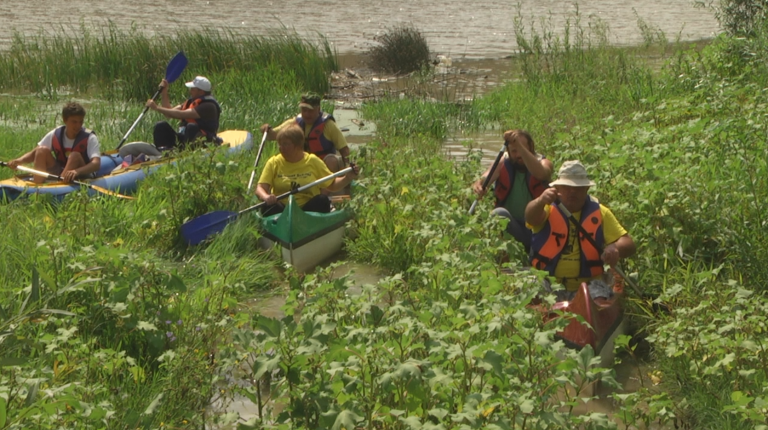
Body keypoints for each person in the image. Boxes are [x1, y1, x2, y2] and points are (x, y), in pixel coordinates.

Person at [525, 160, 636, 298]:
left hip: (589, 286)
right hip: (549, 283)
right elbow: (530, 218)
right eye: (567, 187)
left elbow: (628, 244)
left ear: (586, 189)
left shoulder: (601, 212)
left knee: (598, 299)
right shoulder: (545, 209)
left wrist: (615, 248)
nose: (572, 191)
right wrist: (540, 201)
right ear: (557, 188)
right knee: (531, 290)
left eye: (578, 188)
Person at [472, 129, 553, 250]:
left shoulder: (544, 163)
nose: (518, 155)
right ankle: (503, 258)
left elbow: (542, 174)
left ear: (530, 148)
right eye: (514, 151)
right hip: (514, 229)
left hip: (538, 229)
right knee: (498, 213)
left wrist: (519, 146)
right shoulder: (503, 162)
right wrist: (478, 185)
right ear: (508, 151)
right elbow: (484, 178)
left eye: (522, 150)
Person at [255, 124, 359, 216]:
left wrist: (347, 178)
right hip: (283, 210)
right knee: (267, 206)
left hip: (308, 210)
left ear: (298, 145)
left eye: (285, 144)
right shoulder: (274, 162)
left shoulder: (312, 161)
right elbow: (260, 188)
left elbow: (332, 185)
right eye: (280, 144)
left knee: (322, 200)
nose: (281, 148)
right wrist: (266, 197)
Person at [8, 102, 101, 184]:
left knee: (75, 156)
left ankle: (58, 186)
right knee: (41, 150)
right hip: (60, 170)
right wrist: (19, 161)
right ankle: (37, 184)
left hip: (82, 173)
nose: (78, 125)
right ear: (65, 120)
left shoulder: (89, 137)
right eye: (74, 122)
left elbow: (96, 164)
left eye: (80, 122)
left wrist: (77, 171)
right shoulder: (56, 134)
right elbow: (34, 153)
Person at [260, 93, 350, 172]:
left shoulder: (328, 125)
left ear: (318, 109)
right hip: (303, 164)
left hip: (323, 165)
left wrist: (348, 168)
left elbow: (344, 149)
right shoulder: (295, 122)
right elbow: (272, 136)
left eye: (310, 111)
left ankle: (328, 189)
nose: (307, 114)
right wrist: (266, 129)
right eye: (304, 110)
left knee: (332, 160)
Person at [146, 75, 221, 150]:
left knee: (191, 127)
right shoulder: (191, 102)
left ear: (201, 92)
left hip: (204, 140)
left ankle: (187, 151)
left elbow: (181, 114)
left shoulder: (208, 106)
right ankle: (163, 151)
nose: (190, 91)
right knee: (161, 126)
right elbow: (168, 113)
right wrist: (164, 92)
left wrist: (157, 108)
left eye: (193, 89)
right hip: (185, 138)